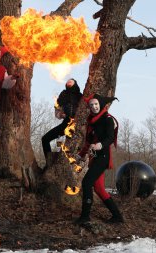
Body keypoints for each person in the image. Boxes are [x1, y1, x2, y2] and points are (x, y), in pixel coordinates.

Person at [74, 93, 124, 224]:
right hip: (94, 157)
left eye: (96, 104)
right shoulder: (91, 121)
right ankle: (117, 217)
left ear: (100, 104)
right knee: (99, 189)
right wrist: (80, 155)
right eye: (91, 105)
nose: (94, 107)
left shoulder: (107, 119)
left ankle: (85, 217)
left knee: (86, 183)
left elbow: (110, 137)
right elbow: (88, 141)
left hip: (103, 157)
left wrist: (100, 144)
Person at [41, 78, 82, 169]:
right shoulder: (63, 94)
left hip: (78, 125)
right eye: (67, 81)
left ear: (75, 83)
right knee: (45, 139)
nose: (68, 82)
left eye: (71, 81)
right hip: (66, 123)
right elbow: (57, 109)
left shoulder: (80, 96)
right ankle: (49, 163)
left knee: (74, 148)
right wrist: (60, 114)